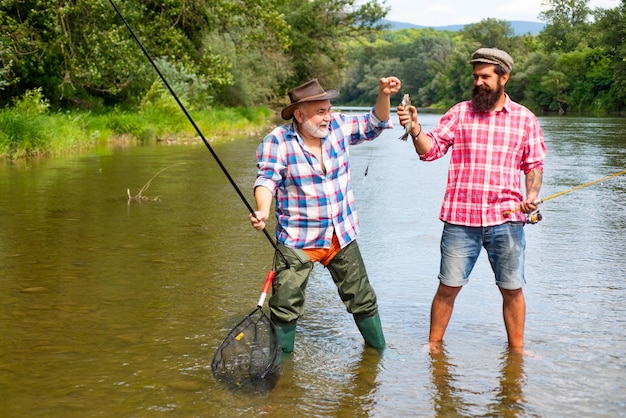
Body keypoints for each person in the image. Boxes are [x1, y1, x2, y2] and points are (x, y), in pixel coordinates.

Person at [397, 48, 546, 348]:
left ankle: (516, 354)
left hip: (507, 220)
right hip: (459, 220)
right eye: (475, 76)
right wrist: (414, 129)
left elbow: (534, 165)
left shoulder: (525, 119)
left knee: (512, 289)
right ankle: (433, 347)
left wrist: (531, 195)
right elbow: (430, 151)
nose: (478, 82)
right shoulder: (459, 113)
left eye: (485, 76)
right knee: (447, 287)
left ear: (504, 78)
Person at [249, 77, 401, 352]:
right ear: (299, 114)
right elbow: (266, 180)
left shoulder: (339, 126)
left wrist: (383, 94)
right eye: (321, 112)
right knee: (284, 306)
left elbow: (374, 123)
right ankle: (282, 368)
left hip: (340, 234)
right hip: (298, 239)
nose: (327, 117)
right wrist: (262, 210)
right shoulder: (278, 141)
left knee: (363, 299)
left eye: (328, 109)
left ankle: (380, 353)